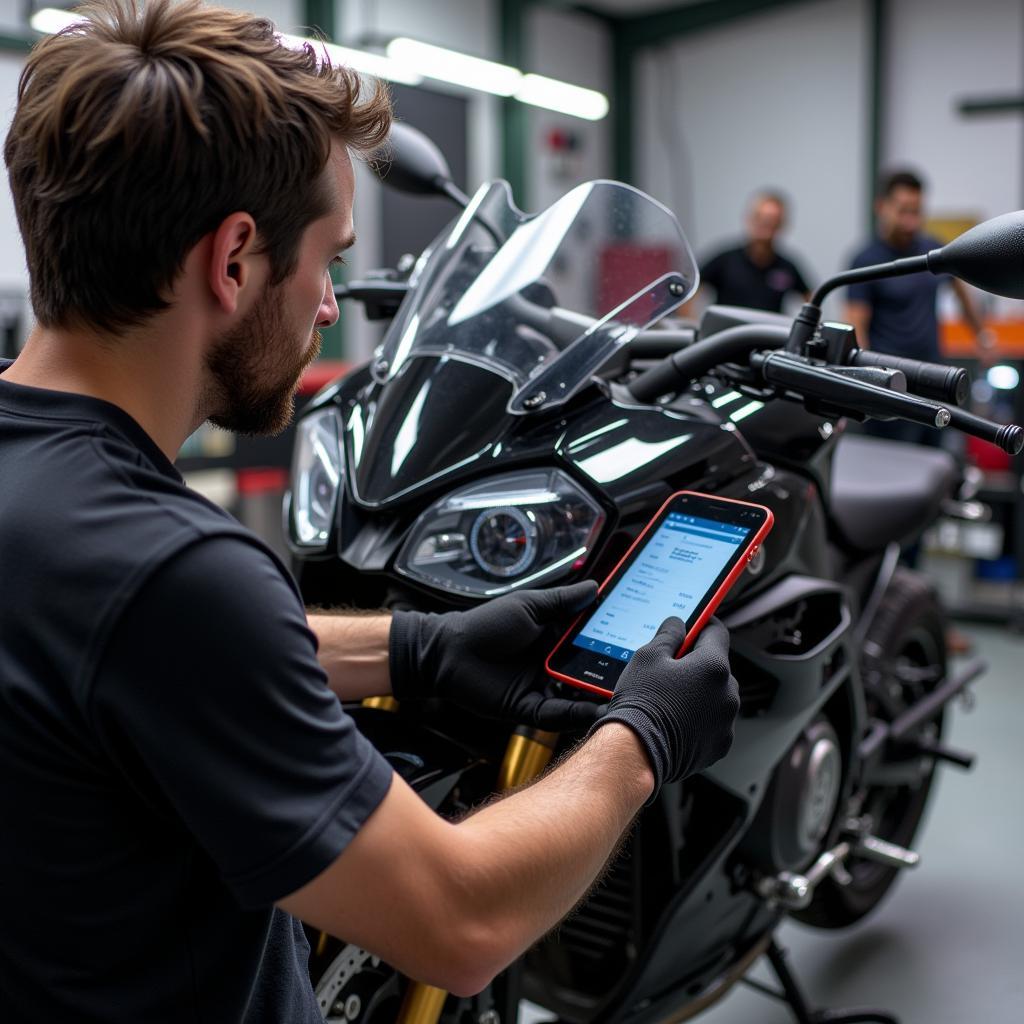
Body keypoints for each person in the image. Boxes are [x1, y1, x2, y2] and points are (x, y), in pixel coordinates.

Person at [0, 2, 740, 1021]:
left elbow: (107, 658)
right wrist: (644, 736)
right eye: (328, 260)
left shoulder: (66, 519)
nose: (324, 303)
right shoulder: (174, 569)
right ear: (232, 258)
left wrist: (414, 649)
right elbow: (459, 920)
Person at [845, 168, 995, 446]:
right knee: (895, 462)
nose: (910, 220)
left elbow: (960, 290)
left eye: (916, 211)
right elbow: (856, 323)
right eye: (903, 211)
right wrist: (866, 380)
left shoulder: (932, 250)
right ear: (882, 207)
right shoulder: (866, 259)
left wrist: (982, 337)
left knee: (937, 457)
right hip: (891, 384)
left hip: (933, 378)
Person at [697, 190, 812, 313]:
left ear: (781, 224)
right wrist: (693, 325)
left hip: (769, 330)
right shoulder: (725, 261)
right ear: (749, 219)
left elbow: (811, 298)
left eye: (772, 219)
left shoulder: (786, 267)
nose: (766, 223)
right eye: (761, 217)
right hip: (729, 331)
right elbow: (691, 288)